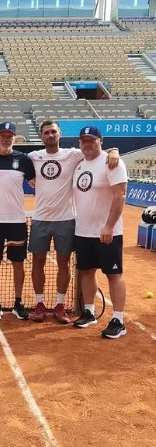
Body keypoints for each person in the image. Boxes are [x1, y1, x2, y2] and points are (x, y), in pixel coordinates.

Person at [27, 120, 120, 324]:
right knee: (38, 262)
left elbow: (99, 149)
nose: (50, 135)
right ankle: (39, 304)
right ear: (41, 136)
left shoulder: (73, 154)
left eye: (53, 132)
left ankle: (60, 305)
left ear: (59, 134)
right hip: (40, 218)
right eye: (46, 133)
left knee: (63, 264)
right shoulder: (33, 157)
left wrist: (115, 151)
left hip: (66, 219)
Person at [72, 126, 128, 339]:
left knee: (114, 275)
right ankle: (89, 312)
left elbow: (120, 195)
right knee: (86, 272)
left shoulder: (112, 162)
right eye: (83, 140)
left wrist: (109, 226)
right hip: (83, 230)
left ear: (100, 141)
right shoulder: (78, 165)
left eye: (91, 140)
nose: (87, 143)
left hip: (108, 232)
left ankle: (118, 320)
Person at [0, 122, 35, 321]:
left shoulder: (23, 160)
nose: (6, 138)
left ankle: (18, 302)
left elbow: (36, 181)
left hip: (16, 221)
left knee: (18, 263)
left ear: (15, 138)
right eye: (3, 135)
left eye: (10, 135)